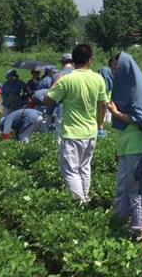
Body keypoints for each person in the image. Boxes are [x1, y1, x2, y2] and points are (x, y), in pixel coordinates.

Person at [45, 44, 108, 203]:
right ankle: (85, 199)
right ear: (90, 60)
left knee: (71, 171)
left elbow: (48, 100)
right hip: (91, 131)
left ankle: (80, 204)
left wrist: (56, 81)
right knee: (84, 168)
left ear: (73, 60)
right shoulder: (98, 78)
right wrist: (99, 125)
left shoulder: (67, 79)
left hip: (72, 132)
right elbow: (103, 105)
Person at [107, 52, 142, 238]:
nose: (114, 73)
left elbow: (141, 120)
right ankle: (119, 223)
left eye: (116, 69)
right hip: (126, 148)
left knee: (134, 189)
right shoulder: (128, 88)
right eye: (112, 69)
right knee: (122, 187)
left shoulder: (138, 92)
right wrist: (118, 149)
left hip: (137, 148)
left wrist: (116, 113)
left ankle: (138, 229)